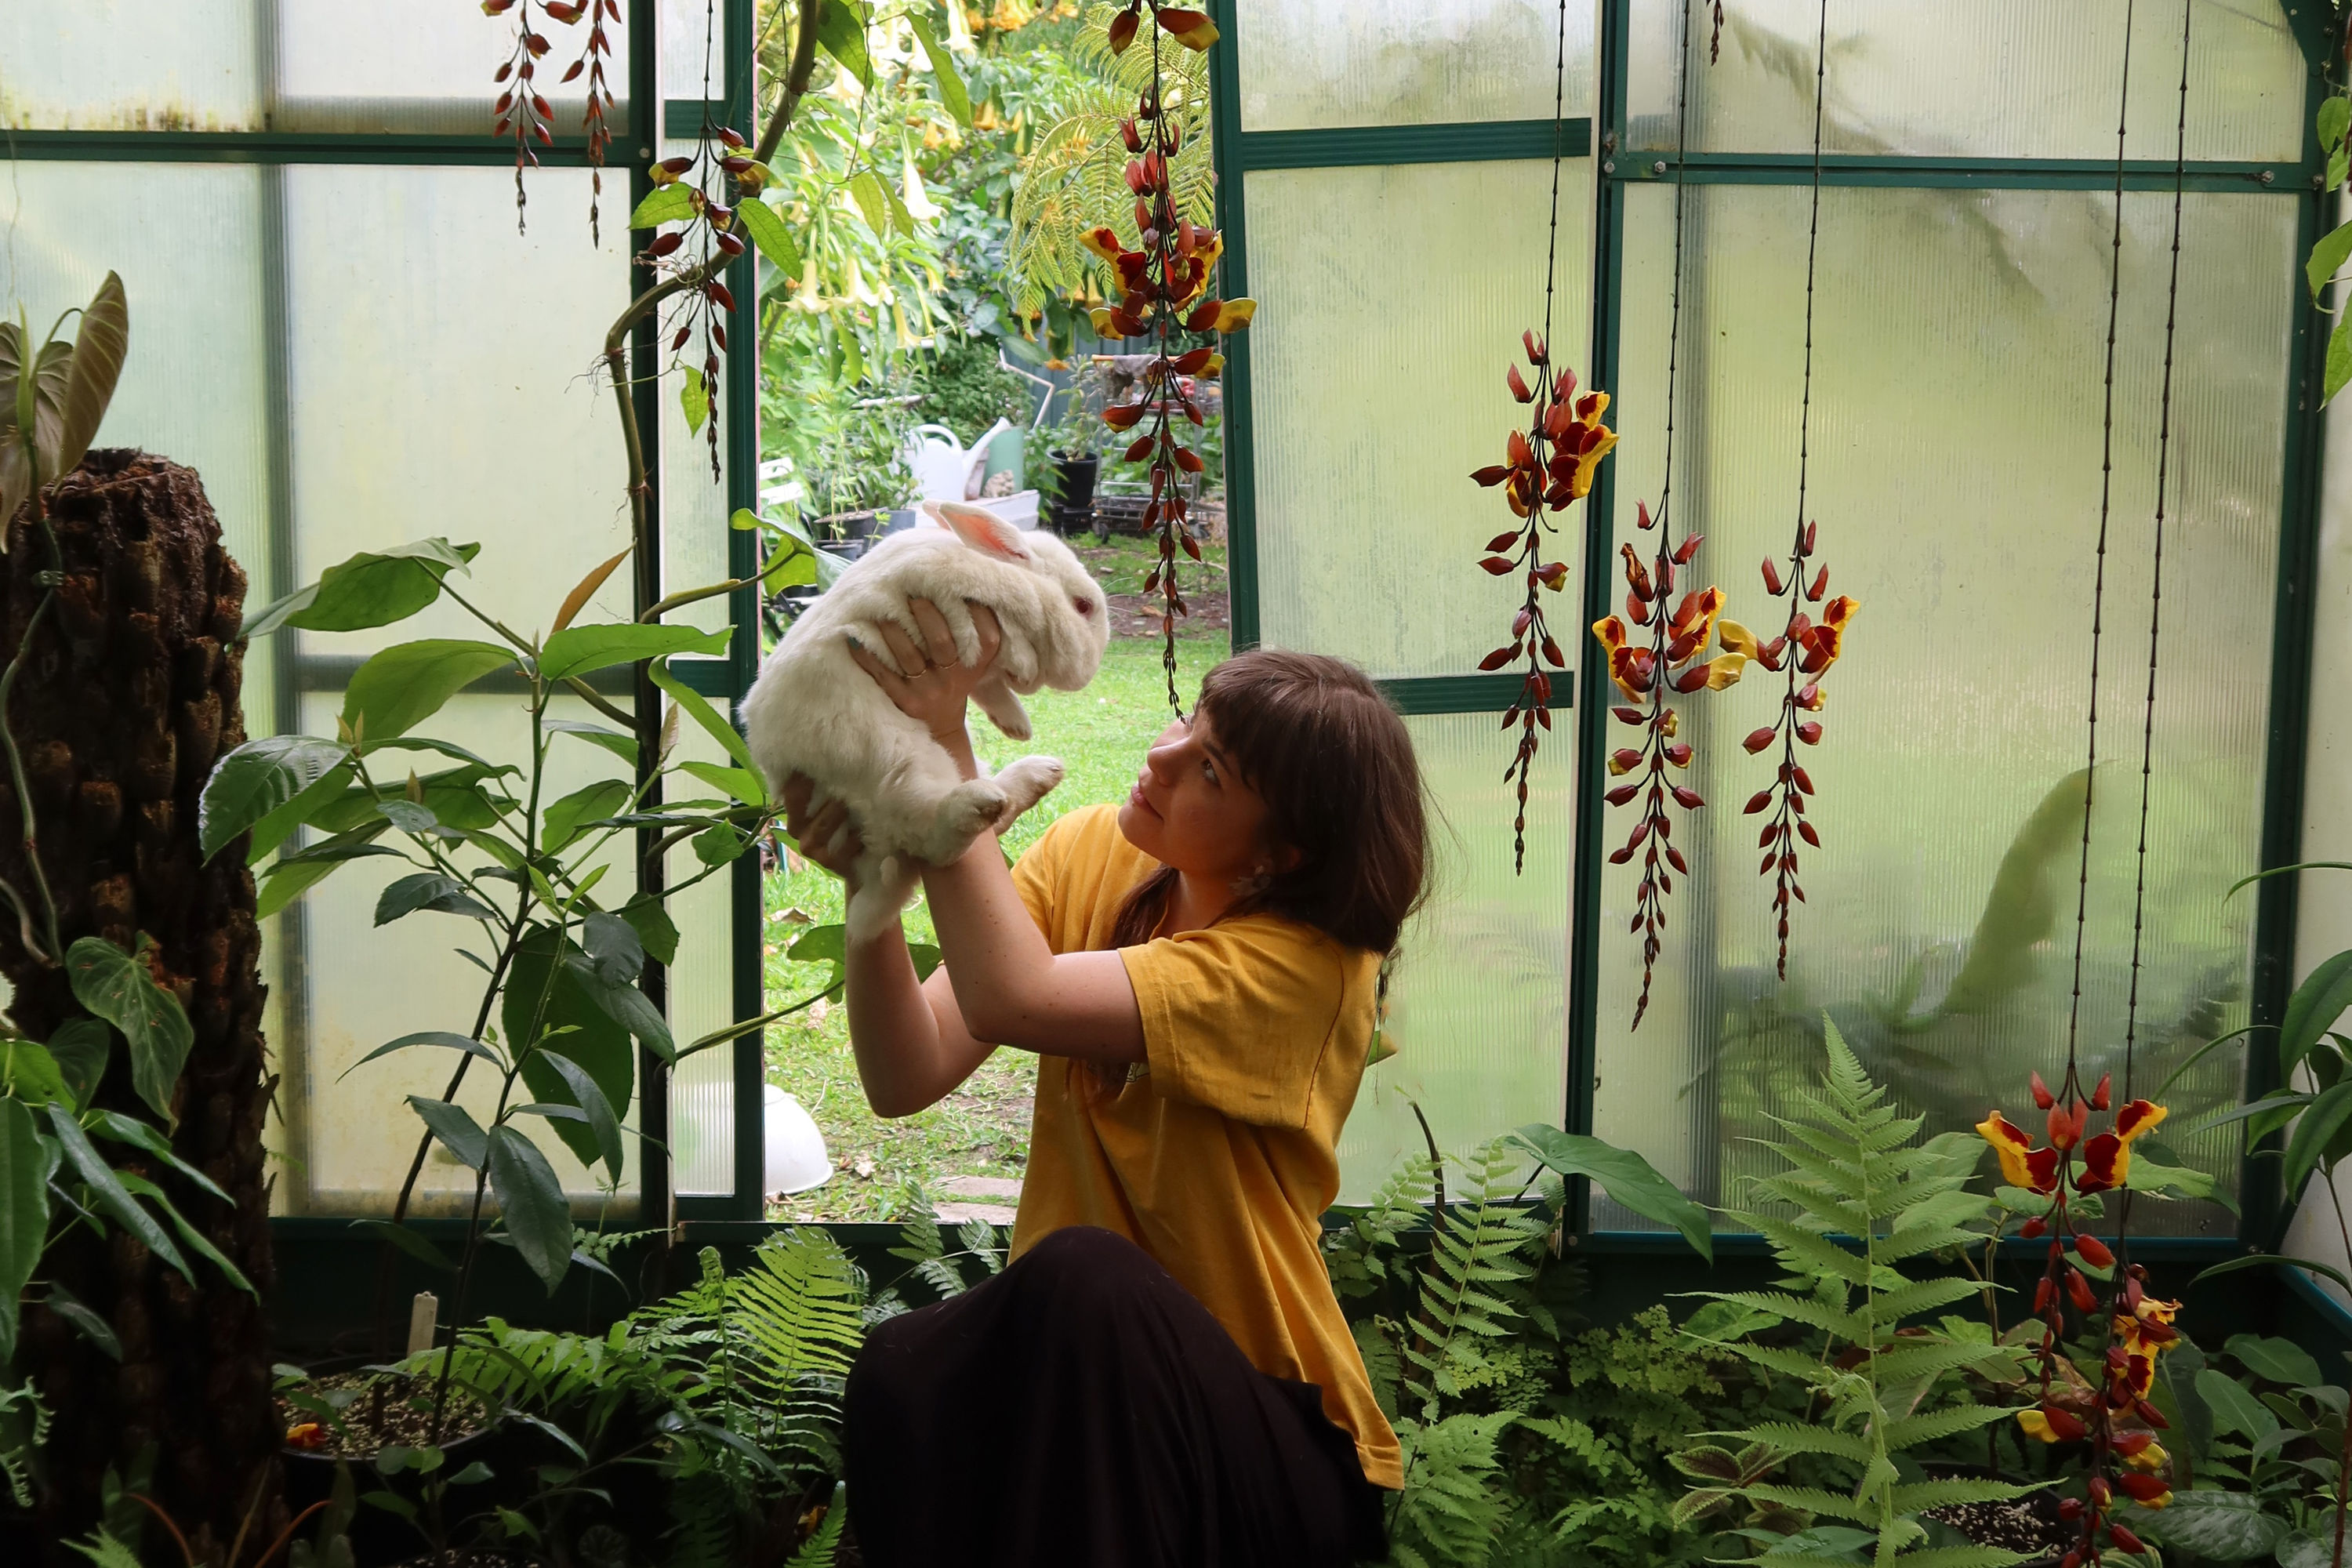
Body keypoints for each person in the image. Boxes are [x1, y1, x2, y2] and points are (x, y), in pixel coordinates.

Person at [782, 597, 1428, 1568]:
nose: (1163, 757)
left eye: (1210, 770)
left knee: (1088, 1276)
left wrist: (946, 743)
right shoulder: (1091, 852)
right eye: (1189, 723)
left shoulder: (1308, 970)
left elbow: (1013, 995)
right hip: (1087, 1392)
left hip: (1270, 1442)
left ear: (1279, 854)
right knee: (904, 1368)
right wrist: (870, 891)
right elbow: (907, 1071)